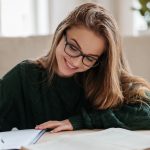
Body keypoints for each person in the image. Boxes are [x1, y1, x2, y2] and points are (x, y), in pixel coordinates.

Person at [1, 3, 150, 133]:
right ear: (60, 34)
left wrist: (78, 122)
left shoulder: (101, 75)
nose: (77, 62)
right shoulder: (24, 76)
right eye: (73, 47)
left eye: (89, 58)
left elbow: (146, 112)